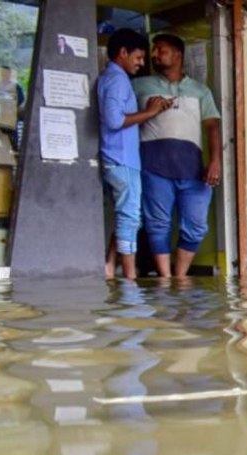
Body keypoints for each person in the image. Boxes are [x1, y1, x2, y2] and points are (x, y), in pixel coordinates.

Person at [133, 34, 223, 278]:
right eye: (154, 51)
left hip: (193, 169)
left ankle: (180, 277)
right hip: (153, 166)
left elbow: (213, 126)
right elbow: (122, 119)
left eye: (160, 50)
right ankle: (165, 279)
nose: (154, 55)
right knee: (157, 225)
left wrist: (215, 161)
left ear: (178, 55)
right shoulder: (139, 86)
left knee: (196, 226)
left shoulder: (200, 91)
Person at [98, 29, 171, 280]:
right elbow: (114, 120)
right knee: (129, 217)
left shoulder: (112, 78)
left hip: (119, 158)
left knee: (126, 216)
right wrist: (149, 113)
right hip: (122, 159)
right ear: (123, 53)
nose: (142, 63)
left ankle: (109, 266)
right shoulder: (117, 80)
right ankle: (129, 278)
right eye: (138, 57)